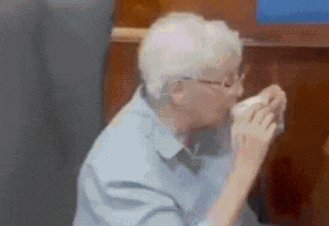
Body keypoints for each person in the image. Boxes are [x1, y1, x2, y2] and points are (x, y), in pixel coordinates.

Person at [74, 12, 288, 226]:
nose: (239, 91)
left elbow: (241, 135)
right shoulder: (122, 174)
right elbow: (243, 159)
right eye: (227, 82)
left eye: (238, 77)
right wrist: (244, 170)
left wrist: (267, 112)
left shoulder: (195, 118)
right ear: (178, 90)